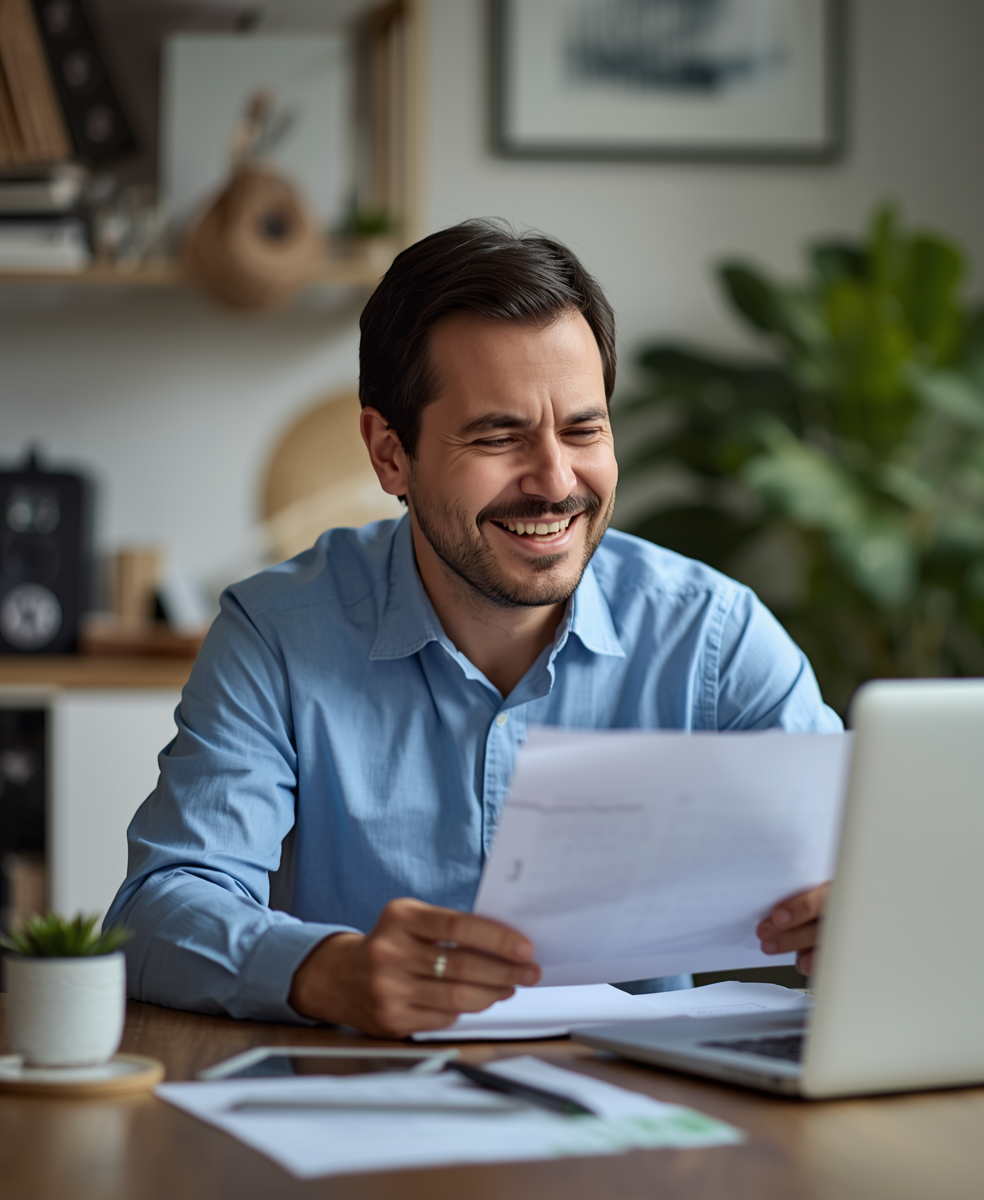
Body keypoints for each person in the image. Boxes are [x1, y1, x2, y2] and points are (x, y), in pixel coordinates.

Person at [105, 220, 842, 1037]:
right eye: (500, 436)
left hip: (639, 1129)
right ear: (390, 453)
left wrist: (861, 909)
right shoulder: (278, 634)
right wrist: (328, 971)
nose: (556, 482)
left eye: (584, 429)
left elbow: (866, 858)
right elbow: (156, 912)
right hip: (364, 1112)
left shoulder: (712, 634)